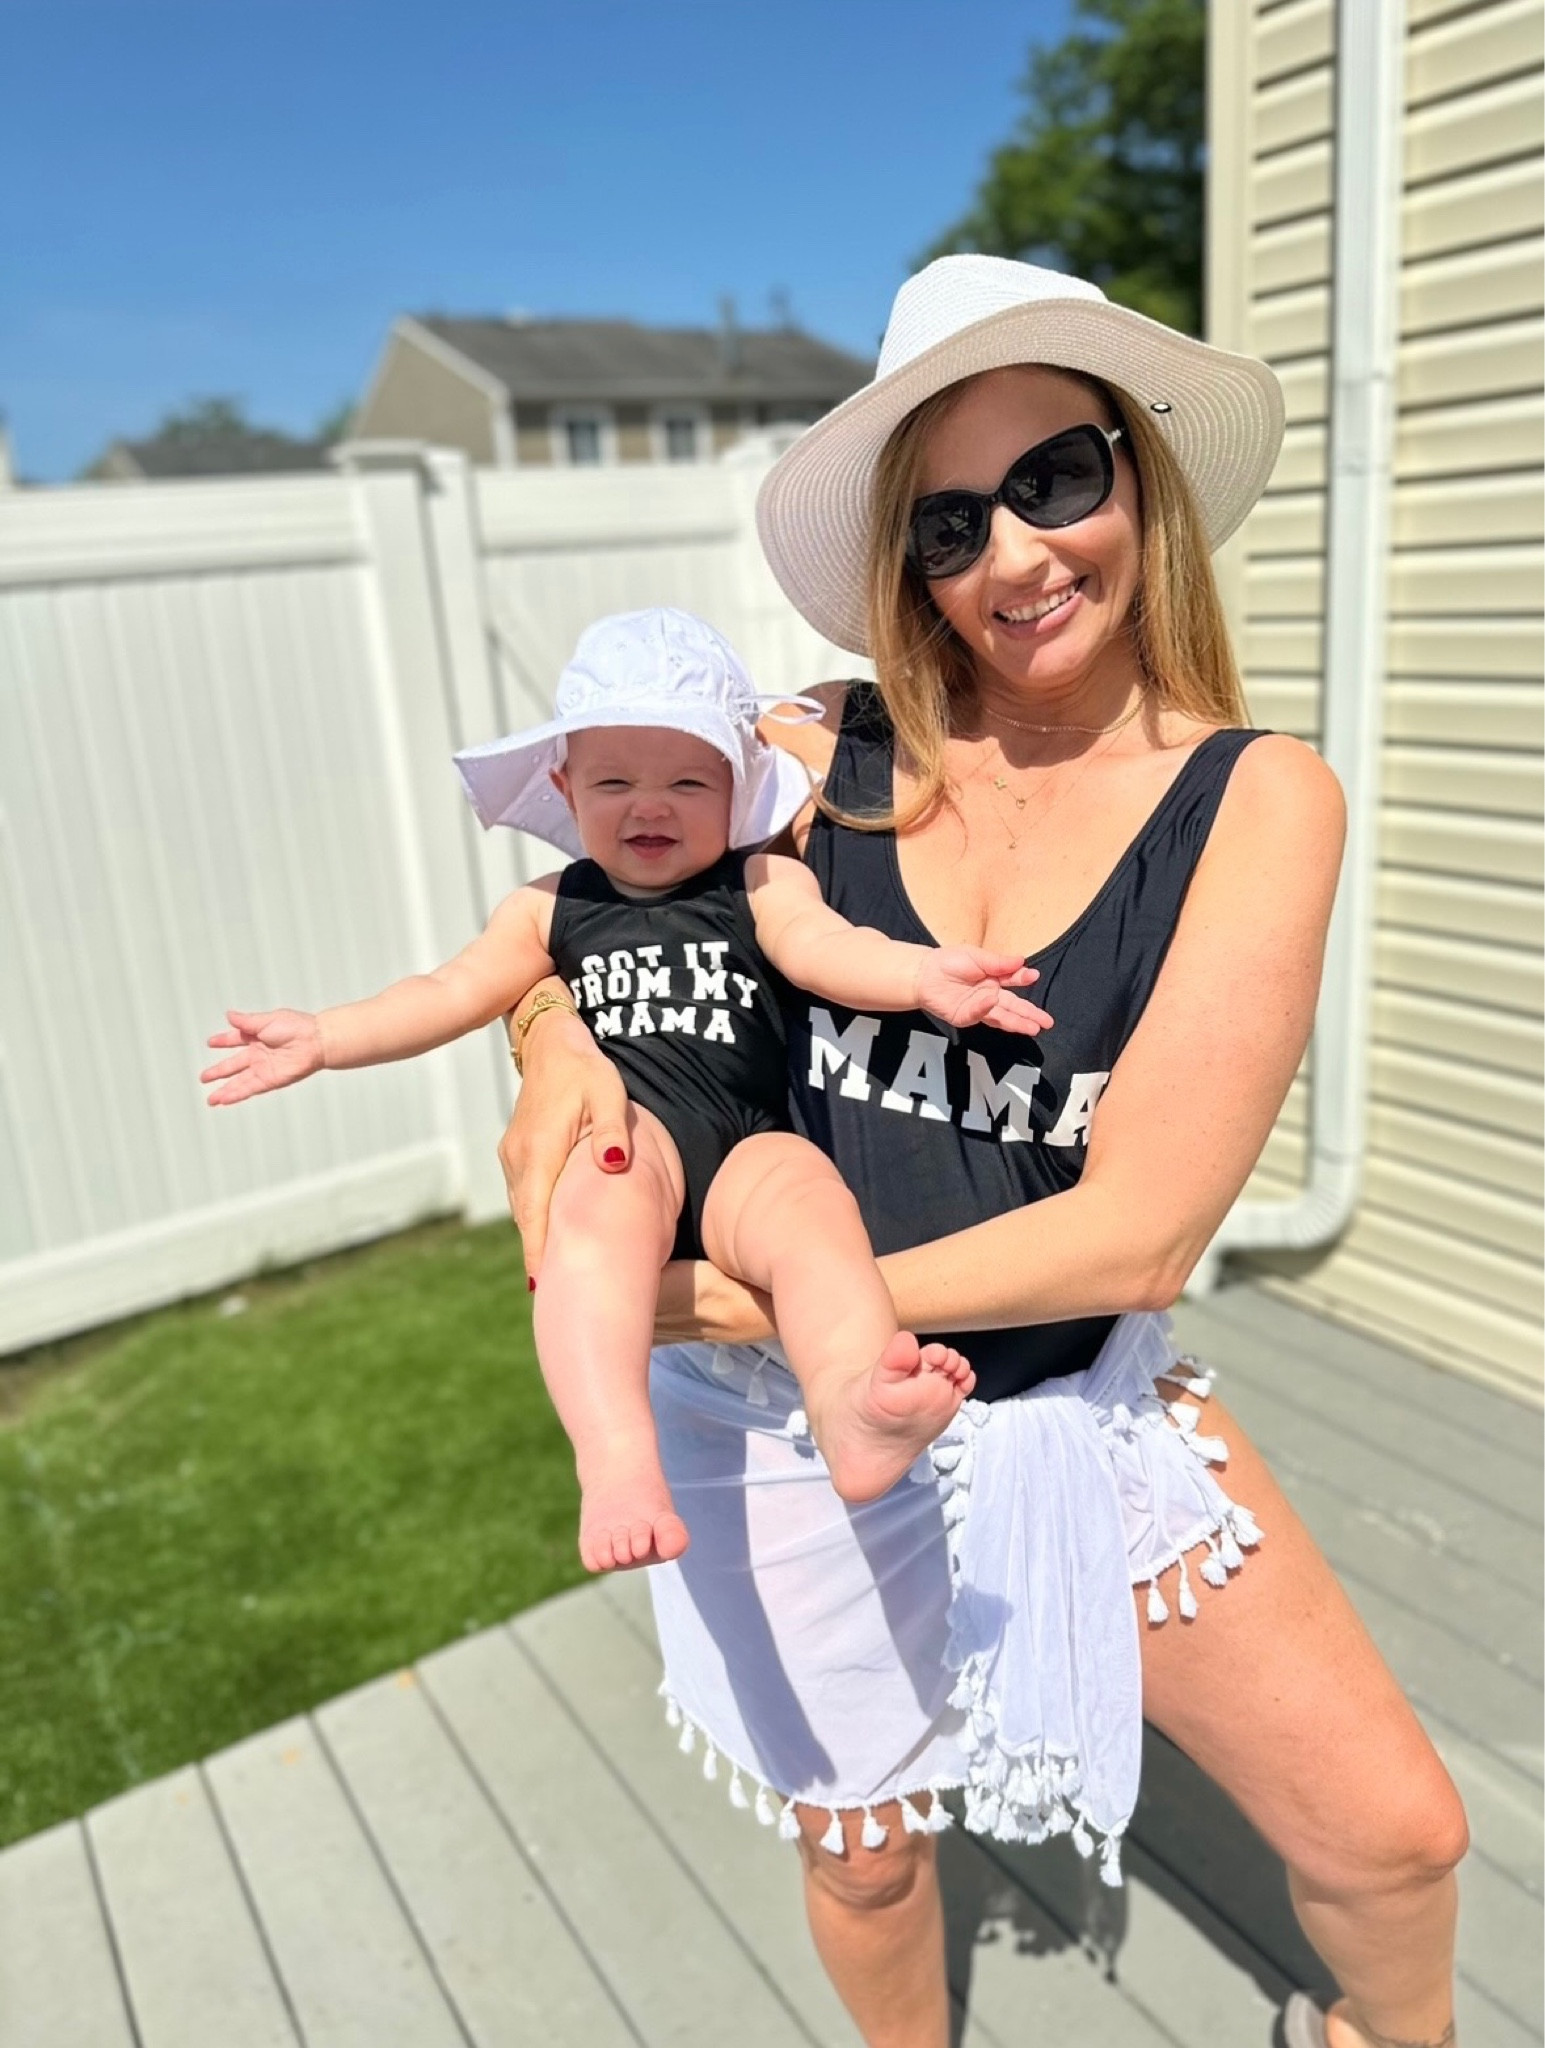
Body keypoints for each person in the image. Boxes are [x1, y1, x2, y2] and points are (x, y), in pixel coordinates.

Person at [498, 260, 1468, 2048]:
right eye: (951, 520)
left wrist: (755, 1304)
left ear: (1137, 476)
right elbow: (605, 912)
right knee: (865, 1857)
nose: (1015, 554)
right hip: (785, 1432)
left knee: (1400, 1834)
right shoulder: (814, 751)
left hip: (1057, 1404)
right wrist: (557, 1038)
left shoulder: (1254, 799)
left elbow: (1139, 1235)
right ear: (907, 566)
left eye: (1056, 479)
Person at [200, 604, 1050, 1574]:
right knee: (595, 1203)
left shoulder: (762, 880)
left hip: (743, 1146)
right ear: (564, 784)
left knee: (813, 1204)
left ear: (736, 786)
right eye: (615, 781)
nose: (651, 805)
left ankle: (854, 1403)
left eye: (688, 780)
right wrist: (325, 1035)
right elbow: (445, 992)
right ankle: (614, 1461)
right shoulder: (549, 905)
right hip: (631, 1131)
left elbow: (830, 952)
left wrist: (924, 977)